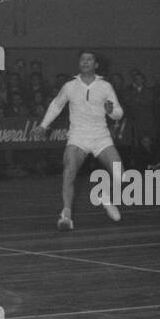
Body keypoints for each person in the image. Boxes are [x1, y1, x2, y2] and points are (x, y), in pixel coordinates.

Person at [34, 51, 123, 230]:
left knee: (120, 174)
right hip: (78, 137)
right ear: (79, 64)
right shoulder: (69, 86)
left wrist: (111, 110)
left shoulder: (105, 86)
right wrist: (43, 125)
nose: (85, 62)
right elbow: (56, 105)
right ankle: (66, 215)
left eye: (89, 59)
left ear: (96, 65)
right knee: (69, 171)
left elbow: (118, 114)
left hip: (101, 137)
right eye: (82, 59)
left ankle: (106, 197)